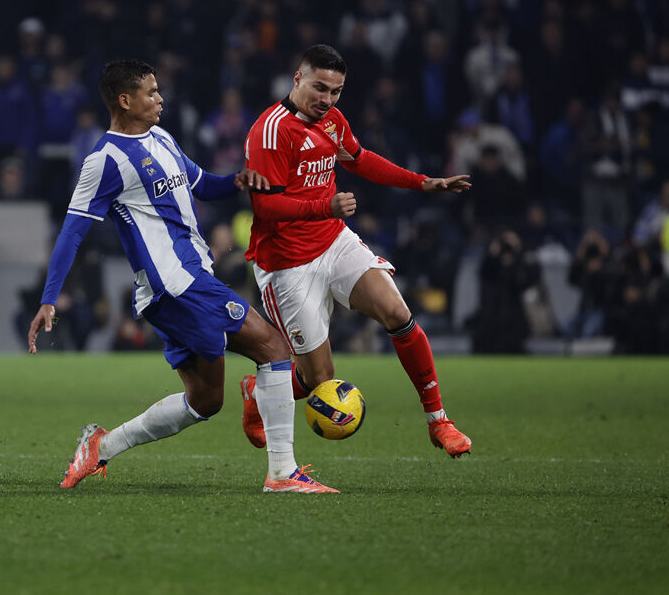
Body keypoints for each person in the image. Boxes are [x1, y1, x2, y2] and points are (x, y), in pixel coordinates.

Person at [28, 60, 336, 494]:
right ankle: (283, 474)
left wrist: (240, 181)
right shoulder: (104, 160)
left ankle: (100, 446)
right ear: (125, 100)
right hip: (176, 285)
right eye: (151, 93)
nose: (160, 99)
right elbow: (71, 232)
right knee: (273, 347)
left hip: (183, 282)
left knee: (206, 400)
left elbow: (202, 184)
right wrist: (49, 298)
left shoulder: (162, 138)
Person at [238, 45, 474, 457]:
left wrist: (423, 183)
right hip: (287, 264)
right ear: (297, 79)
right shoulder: (271, 131)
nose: (327, 100)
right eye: (319, 88)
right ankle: (258, 391)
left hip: (333, 241)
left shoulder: (331, 120)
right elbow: (265, 205)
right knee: (318, 380)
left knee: (398, 314)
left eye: (336, 91)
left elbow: (361, 160)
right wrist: (323, 206)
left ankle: (439, 420)